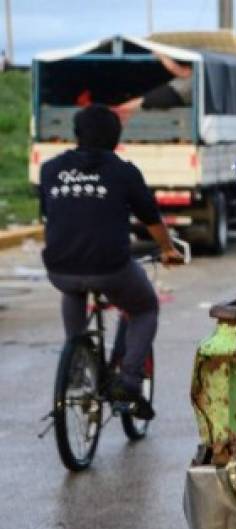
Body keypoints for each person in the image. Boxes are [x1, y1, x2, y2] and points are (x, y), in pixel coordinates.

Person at [40, 104, 185, 419]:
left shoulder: (50, 169)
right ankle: (129, 380)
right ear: (116, 138)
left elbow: (49, 214)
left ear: (76, 135)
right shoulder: (123, 171)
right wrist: (168, 249)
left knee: (73, 287)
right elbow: (151, 218)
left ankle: (77, 369)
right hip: (111, 268)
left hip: (60, 267)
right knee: (144, 307)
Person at [113, 52, 193, 123]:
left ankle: (111, 114)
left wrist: (162, 55)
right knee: (137, 105)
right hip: (177, 96)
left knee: (135, 104)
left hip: (174, 93)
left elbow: (174, 69)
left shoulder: (193, 72)